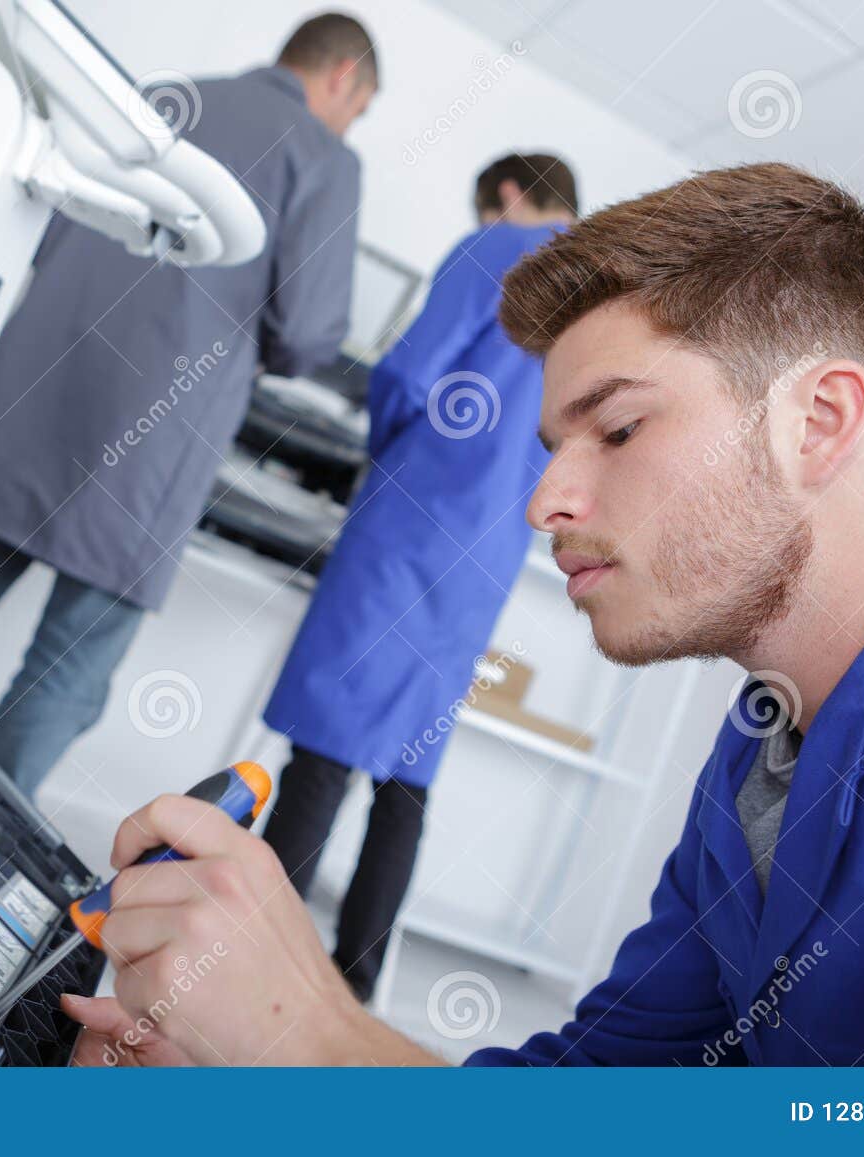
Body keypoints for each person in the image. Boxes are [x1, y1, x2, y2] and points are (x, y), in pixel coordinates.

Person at [61, 162, 864, 1066]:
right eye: (551, 441)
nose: (543, 501)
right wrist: (273, 1063)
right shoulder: (758, 754)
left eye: (614, 429)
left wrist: (320, 1033)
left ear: (819, 420)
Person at [0, 14, 376, 792]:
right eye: (358, 108)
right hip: (150, 441)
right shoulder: (326, 158)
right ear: (344, 76)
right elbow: (309, 333)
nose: (351, 122)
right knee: (66, 673)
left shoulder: (157, 98)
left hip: (36, 394)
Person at [257, 155, 579, 1004]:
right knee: (406, 772)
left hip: (412, 521)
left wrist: (389, 454)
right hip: (490, 553)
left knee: (326, 745)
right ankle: (353, 986)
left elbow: (406, 374)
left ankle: (252, 961)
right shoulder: (608, 291)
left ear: (506, 198)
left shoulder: (500, 245)